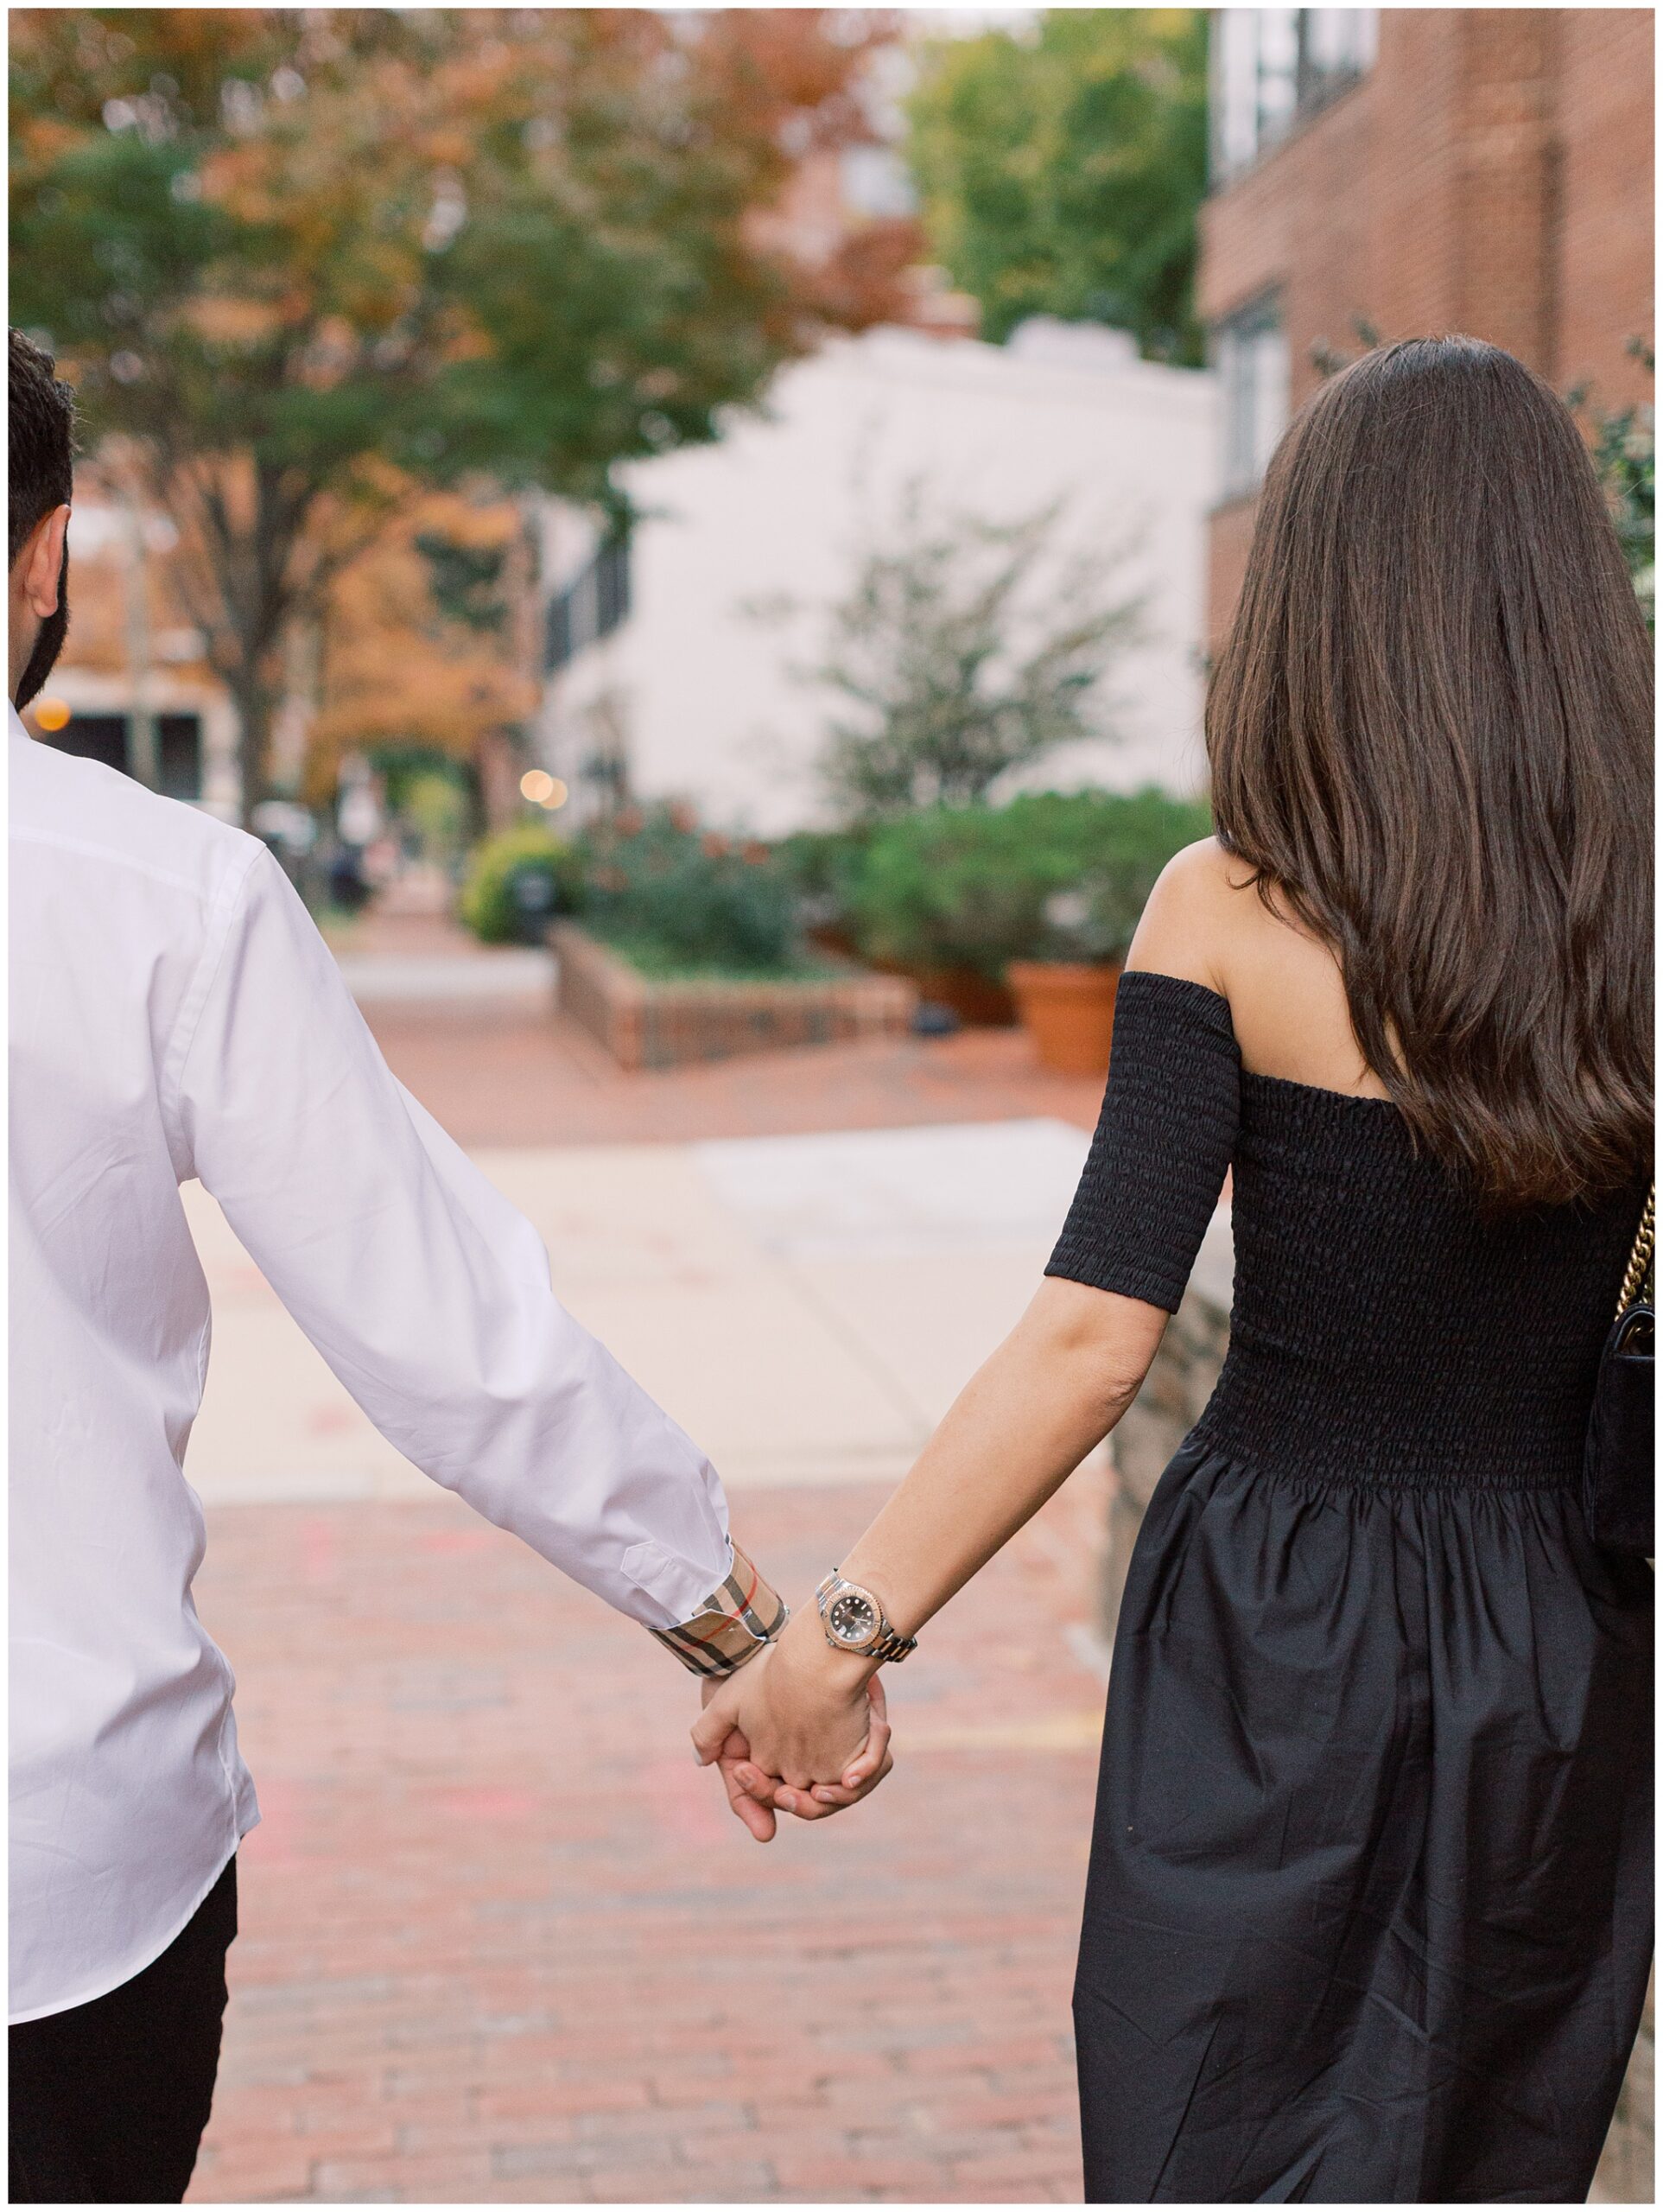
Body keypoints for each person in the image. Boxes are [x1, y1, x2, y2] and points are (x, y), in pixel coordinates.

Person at [697, 335, 1654, 2202]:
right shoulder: (1642, 915)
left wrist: (837, 1637)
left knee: (1211, 2129)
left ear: (1315, 601)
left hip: (1273, 1618)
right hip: (1562, 1617)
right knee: (1495, 2142)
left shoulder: (1228, 905)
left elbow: (1089, 1339)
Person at [7, 327, 888, 2206]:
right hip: (56, 1861)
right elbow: (447, 1330)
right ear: (47, 555)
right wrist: (749, 1635)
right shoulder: (162, 896)